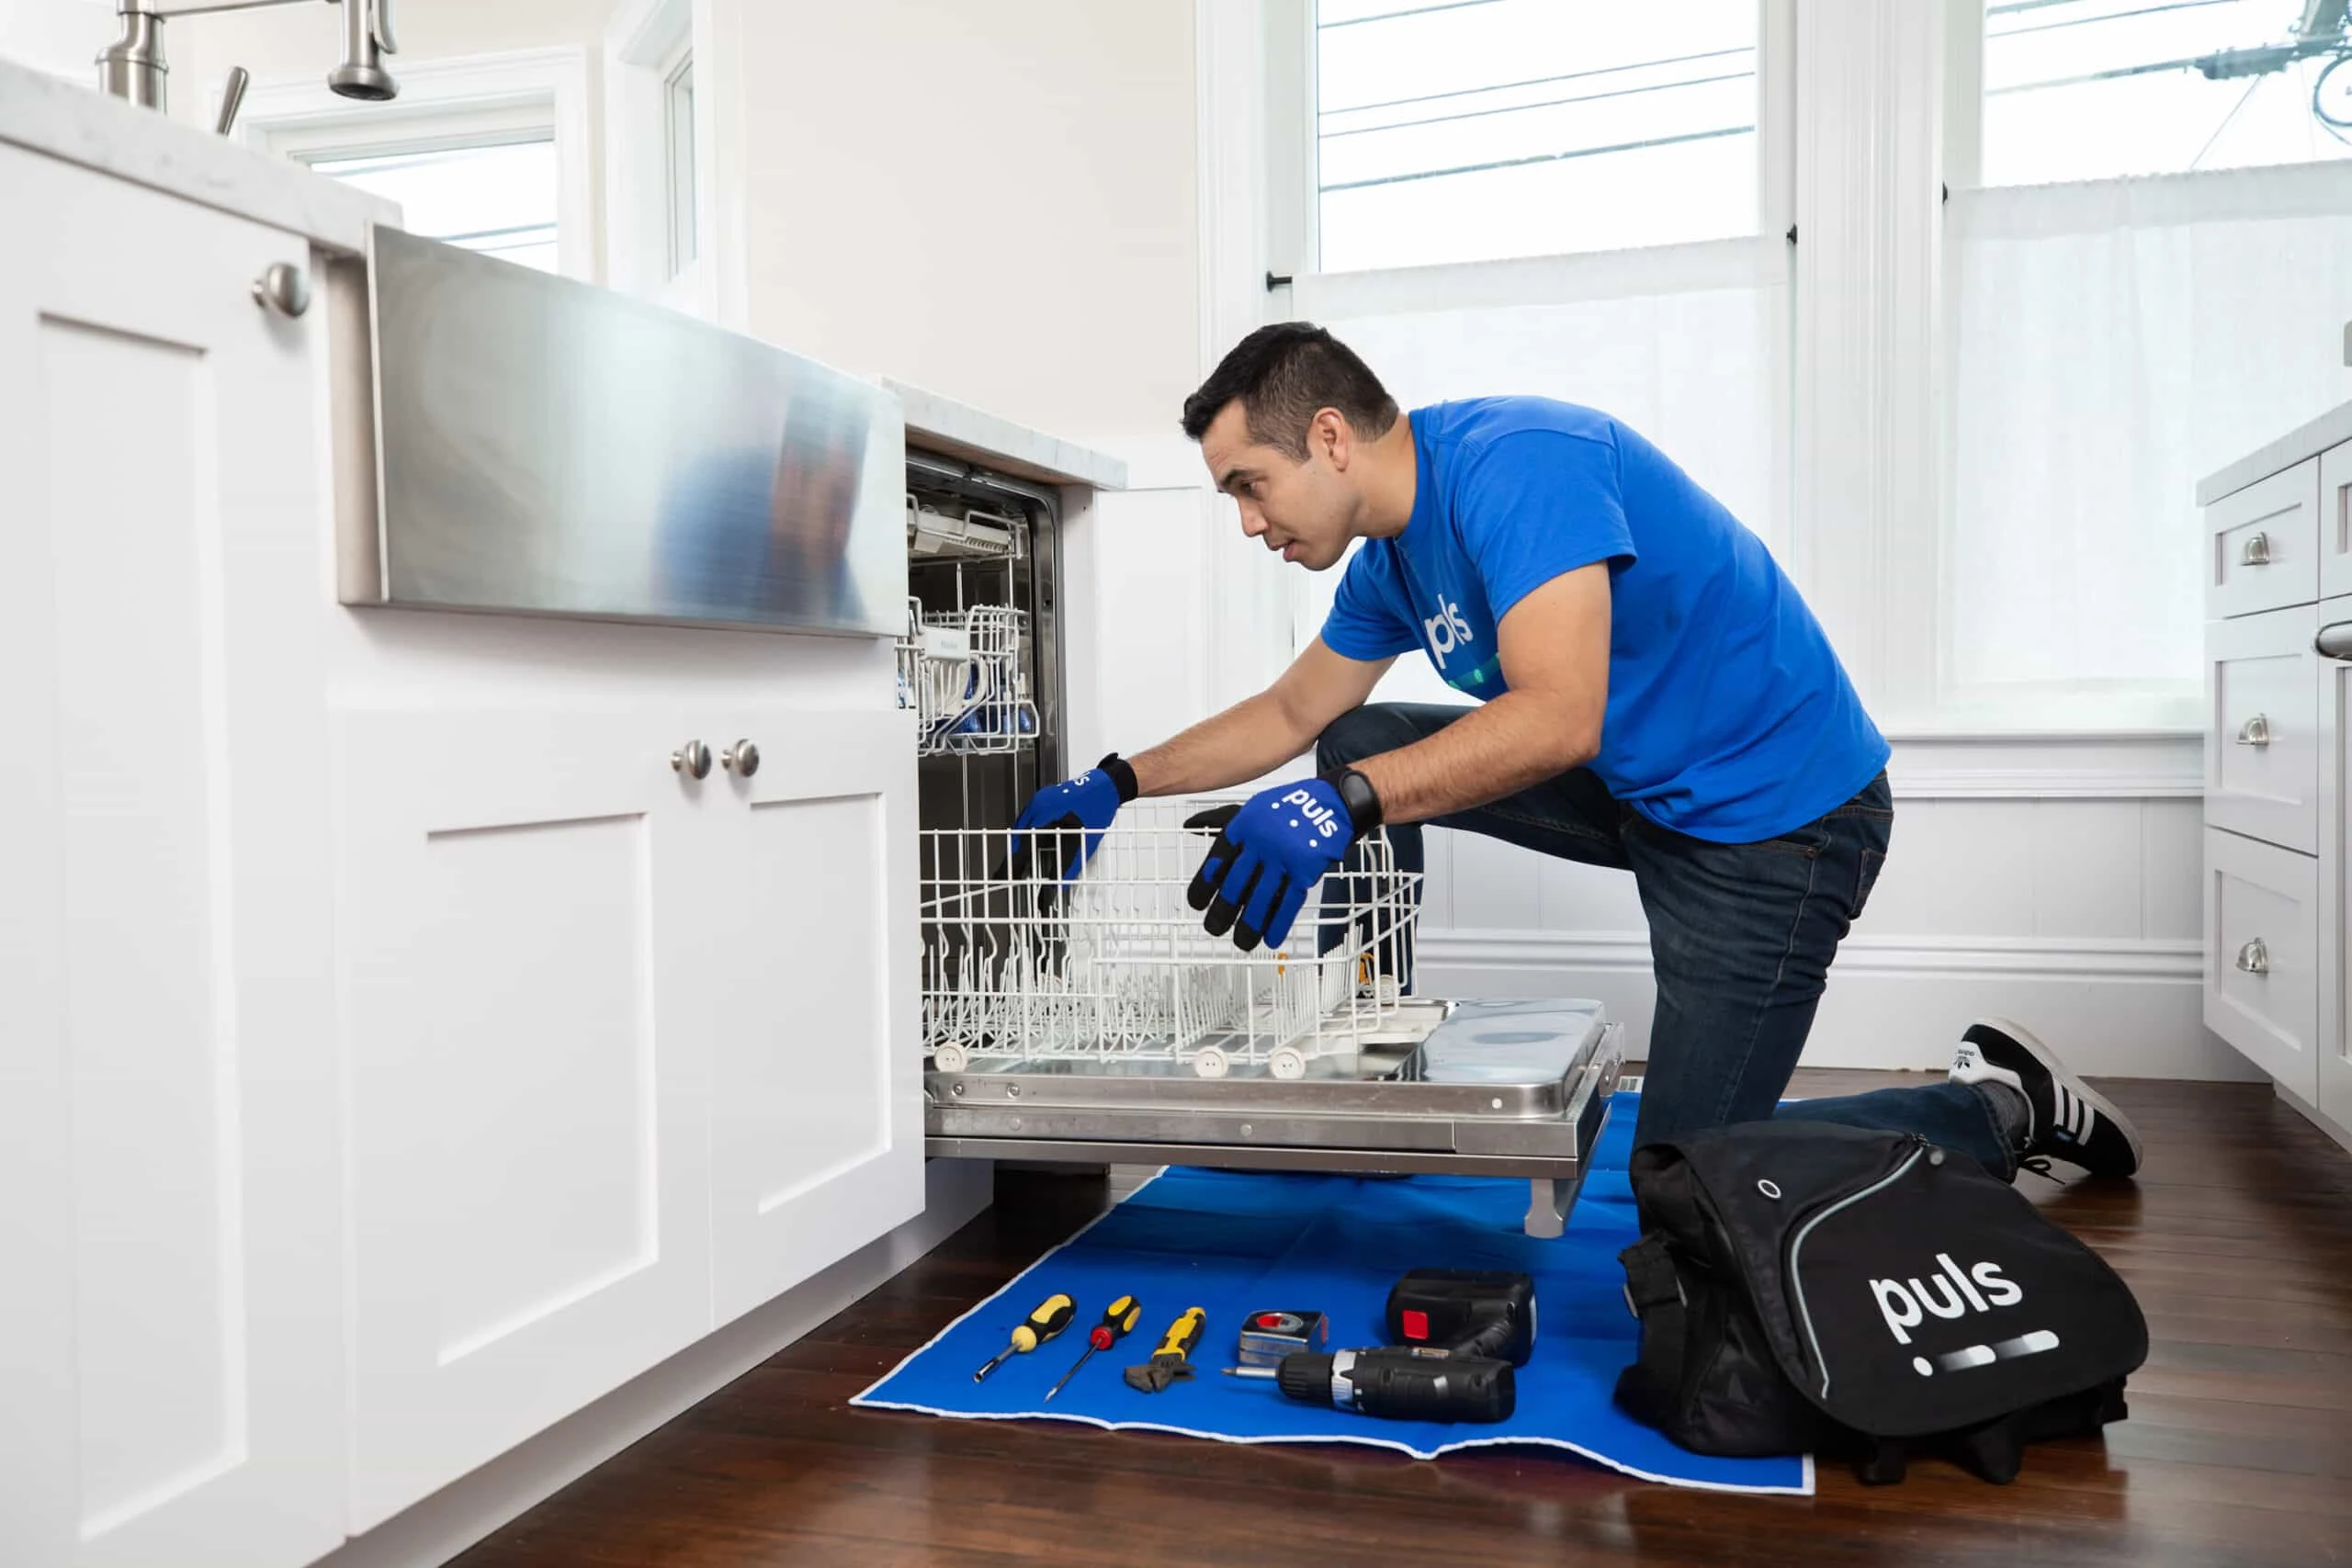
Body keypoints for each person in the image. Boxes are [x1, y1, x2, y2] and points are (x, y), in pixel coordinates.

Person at [1010, 322, 2142, 1185]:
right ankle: (1369, 1044)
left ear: (1327, 437)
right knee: (1358, 732)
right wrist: (1119, 783)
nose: (1249, 523)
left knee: (1684, 1181)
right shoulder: (1389, 563)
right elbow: (1289, 711)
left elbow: (1557, 720)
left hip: (1778, 828)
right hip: (1646, 794)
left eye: (1247, 486)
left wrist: (1343, 807)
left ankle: (1996, 1107)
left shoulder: (1519, 464)